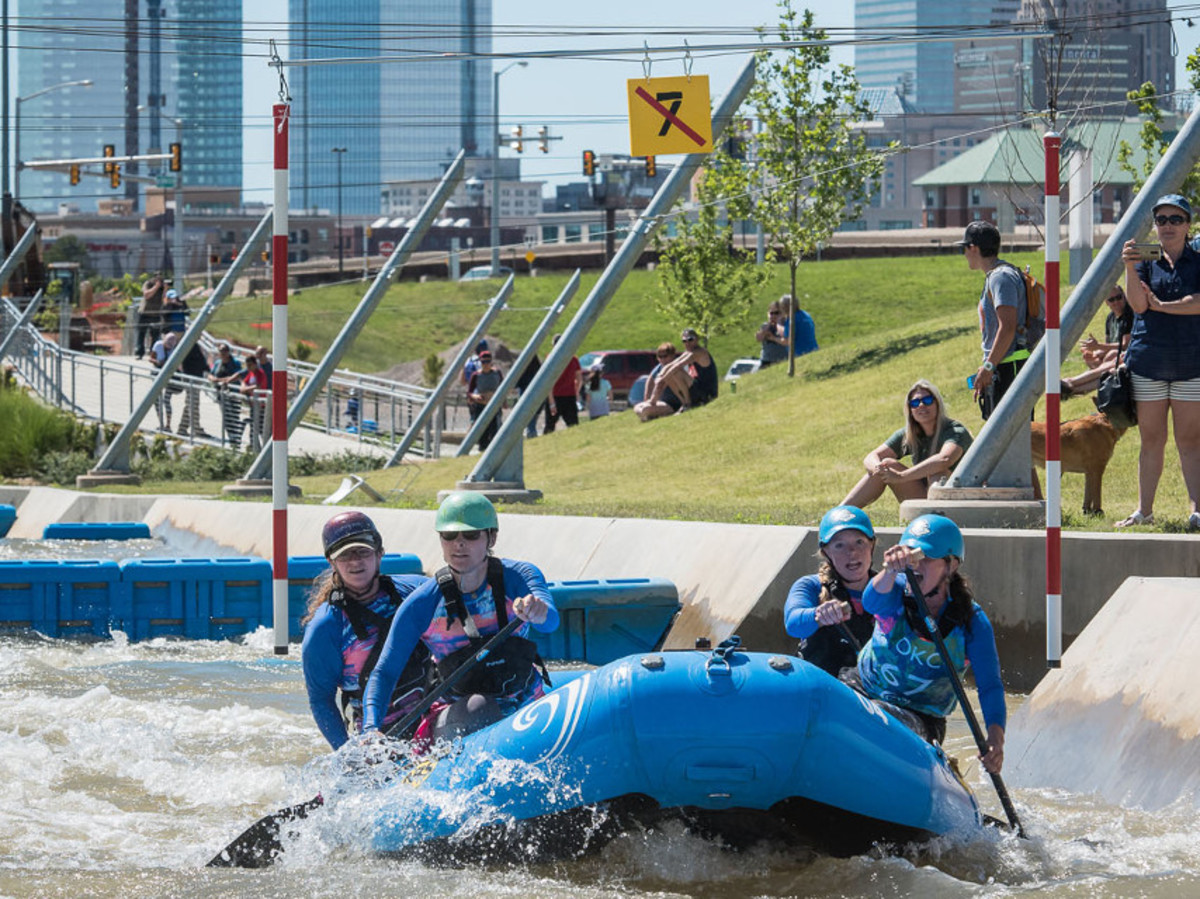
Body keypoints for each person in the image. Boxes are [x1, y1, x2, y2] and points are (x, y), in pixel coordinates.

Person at [362, 492, 559, 742]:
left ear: (491, 537)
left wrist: (539, 612)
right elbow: (385, 672)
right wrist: (371, 728)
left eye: (471, 535)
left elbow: (551, 622)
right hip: (459, 716)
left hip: (525, 702)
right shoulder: (422, 604)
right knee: (480, 706)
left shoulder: (519, 576)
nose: (459, 544)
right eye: (450, 535)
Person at [856, 514, 1007, 774]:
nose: (915, 564)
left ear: (951, 566)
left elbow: (990, 686)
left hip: (922, 717)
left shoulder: (972, 622)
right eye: (911, 556)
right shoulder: (894, 590)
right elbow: (870, 602)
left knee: (879, 716)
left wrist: (995, 740)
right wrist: (890, 569)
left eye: (925, 557)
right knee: (869, 712)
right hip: (863, 690)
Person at [301, 511, 432, 749]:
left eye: (363, 551)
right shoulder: (325, 628)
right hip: (379, 739)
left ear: (379, 553)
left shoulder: (417, 591)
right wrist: (347, 753)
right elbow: (321, 700)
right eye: (344, 554)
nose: (355, 561)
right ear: (331, 562)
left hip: (434, 716)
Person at [1118, 193, 1200, 531]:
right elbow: (1138, 305)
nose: (1168, 226)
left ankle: (1197, 511)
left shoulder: (1198, 261)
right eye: (1161, 220)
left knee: (1191, 441)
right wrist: (1128, 266)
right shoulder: (1144, 261)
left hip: (1191, 364)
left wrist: (1164, 307)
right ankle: (1144, 511)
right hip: (1149, 362)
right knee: (1151, 440)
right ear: (1154, 225)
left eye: (1175, 219)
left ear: (1188, 225)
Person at [842, 380, 973, 509]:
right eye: (915, 403)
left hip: (961, 500)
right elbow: (871, 457)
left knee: (938, 473)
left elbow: (944, 459)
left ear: (937, 404)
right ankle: (839, 513)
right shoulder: (910, 434)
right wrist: (879, 469)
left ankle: (938, 518)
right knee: (886, 464)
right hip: (925, 500)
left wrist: (901, 476)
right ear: (910, 410)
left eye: (927, 400)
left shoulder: (955, 431)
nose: (921, 405)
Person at [784, 505, 877, 678]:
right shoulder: (810, 586)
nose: (852, 552)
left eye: (859, 542)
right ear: (825, 552)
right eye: (839, 545)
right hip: (824, 685)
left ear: (872, 545)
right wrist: (818, 615)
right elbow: (793, 624)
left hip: (872, 685)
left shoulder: (889, 586)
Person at [957, 221, 1032, 420]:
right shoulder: (997, 275)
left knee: (1011, 433)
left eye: (964, 249)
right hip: (1002, 365)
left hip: (1010, 366)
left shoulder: (1001, 278)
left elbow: (1007, 327)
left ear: (973, 248)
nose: (964, 254)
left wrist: (989, 367)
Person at [1060, 285, 1134, 398]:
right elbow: (1109, 344)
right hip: (1116, 359)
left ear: (1124, 296)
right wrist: (1095, 353)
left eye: (1118, 297)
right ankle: (1073, 389)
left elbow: (1124, 345)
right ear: (1106, 302)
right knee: (1100, 359)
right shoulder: (1110, 318)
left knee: (1112, 357)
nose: (1116, 302)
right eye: (1111, 299)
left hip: (1126, 357)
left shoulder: (1130, 315)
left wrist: (1098, 346)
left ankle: (1072, 383)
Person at [645, 328, 718, 415]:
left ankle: (688, 404)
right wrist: (660, 376)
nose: (687, 343)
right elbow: (672, 364)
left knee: (675, 371)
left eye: (690, 339)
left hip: (707, 394)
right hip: (697, 388)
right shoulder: (688, 352)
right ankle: (684, 404)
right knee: (670, 372)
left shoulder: (699, 352)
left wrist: (662, 379)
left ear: (697, 339)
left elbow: (678, 365)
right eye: (684, 341)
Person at [634, 342, 685, 421]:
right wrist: (647, 400)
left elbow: (660, 385)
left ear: (672, 355)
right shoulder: (659, 367)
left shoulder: (676, 366)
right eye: (660, 357)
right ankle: (651, 415)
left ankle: (652, 415)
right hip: (663, 402)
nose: (662, 359)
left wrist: (652, 401)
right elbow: (650, 381)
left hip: (674, 404)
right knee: (637, 407)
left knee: (644, 409)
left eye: (665, 356)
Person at [208, 343, 244, 447]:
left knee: (234, 416)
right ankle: (232, 439)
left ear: (228, 352)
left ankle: (236, 438)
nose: (223, 353)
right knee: (227, 417)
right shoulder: (218, 363)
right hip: (221, 395)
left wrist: (219, 380)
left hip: (233, 394)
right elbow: (211, 374)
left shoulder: (235, 363)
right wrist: (212, 379)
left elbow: (236, 376)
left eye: (224, 351)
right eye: (221, 351)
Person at [466, 349, 504, 450]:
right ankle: (482, 449)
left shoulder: (497, 373)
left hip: (494, 406)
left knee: (494, 431)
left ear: (491, 362)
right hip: (481, 406)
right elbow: (469, 393)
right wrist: (475, 396)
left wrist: (503, 402)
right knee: (482, 432)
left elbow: (503, 388)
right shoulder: (476, 375)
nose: (486, 364)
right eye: (483, 362)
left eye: (488, 361)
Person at [546, 333, 582, 432]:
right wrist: (576, 392)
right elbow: (579, 379)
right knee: (573, 426)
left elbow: (547, 382)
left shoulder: (550, 359)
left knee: (549, 427)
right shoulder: (573, 359)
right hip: (570, 396)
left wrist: (551, 402)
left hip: (555, 396)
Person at [177, 339, 211, 438]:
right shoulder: (187, 345)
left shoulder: (194, 345)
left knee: (190, 403)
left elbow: (200, 361)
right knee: (193, 404)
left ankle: (182, 428)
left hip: (196, 378)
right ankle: (196, 428)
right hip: (190, 379)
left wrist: (207, 368)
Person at [149, 331, 180, 430]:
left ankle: (168, 425)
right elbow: (151, 358)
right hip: (157, 373)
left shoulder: (175, 350)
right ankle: (161, 423)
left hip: (169, 376)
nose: (168, 348)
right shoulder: (158, 345)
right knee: (157, 399)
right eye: (167, 345)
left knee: (167, 400)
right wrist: (158, 362)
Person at [239, 354, 270, 449]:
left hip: (261, 405)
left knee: (261, 428)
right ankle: (253, 445)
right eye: (247, 365)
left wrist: (245, 389)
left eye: (250, 365)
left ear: (255, 364)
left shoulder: (260, 373)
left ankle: (267, 447)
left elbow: (258, 386)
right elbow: (244, 381)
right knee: (253, 425)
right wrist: (244, 387)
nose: (248, 367)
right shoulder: (251, 373)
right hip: (253, 405)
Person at [135, 273, 165, 360]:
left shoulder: (163, 288)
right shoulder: (148, 284)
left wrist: (165, 289)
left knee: (155, 335)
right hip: (144, 313)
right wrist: (156, 287)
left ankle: (153, 353)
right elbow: (146, 295)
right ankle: (139, 353)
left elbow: (165, 300)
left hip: (156, 314)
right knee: (141, 334)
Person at [515, 353, 544, 438]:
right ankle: (531, 433)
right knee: (533, 419)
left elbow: (516, 384)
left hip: (525, 397)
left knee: (528, 419)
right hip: (537, 396)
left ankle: (531, 433)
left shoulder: (523, 372)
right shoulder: (539, 371)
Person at [756, 300, 789, 367]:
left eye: (777, 313)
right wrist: (768, 325)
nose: (774, 315)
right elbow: (759, 338)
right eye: (771, 313)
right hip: (767, 360)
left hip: (783, 359)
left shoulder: (786, 325)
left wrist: (778, 324)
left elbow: (786, 340)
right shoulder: (765, 326)